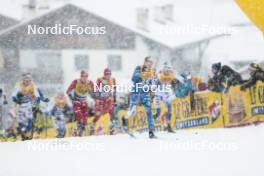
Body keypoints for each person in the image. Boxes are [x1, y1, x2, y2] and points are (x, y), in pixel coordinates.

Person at [122, 56, 157, 138]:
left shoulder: (152, 71)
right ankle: (124, 118)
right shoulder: (139, 68)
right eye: (149, 62)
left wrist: (152, 91)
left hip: (145, 94)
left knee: (149, 112)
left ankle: (151, 132)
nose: (150, 64)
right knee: (132, 111)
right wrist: (143, 75)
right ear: (145, 62)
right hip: (136, 93)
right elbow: (134, 78)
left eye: (151, 62)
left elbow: (153, 83)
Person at [12, 73, 40, 140]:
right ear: (23, 80)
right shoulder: (18, 86)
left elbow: (37, 95)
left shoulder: (32, 86)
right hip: (20, 105)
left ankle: (27, 132)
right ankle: (23, 132)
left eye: (28, 80)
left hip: (29, 105)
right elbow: (13, 95)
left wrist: (37, 101)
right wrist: (16, 99)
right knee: (21, 120)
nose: (27, 82)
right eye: (25, 80)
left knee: (30, 119)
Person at [67, 70, 95, 136]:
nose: (85, 78)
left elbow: (94, 92)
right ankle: (76, 130)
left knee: (85, 120)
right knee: (80, 117)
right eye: (83, 76)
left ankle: (80, 131)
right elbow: (68, 91)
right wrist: (73, 99)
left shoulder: (90, 82)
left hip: (84, 103)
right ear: (81, 76)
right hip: (77, 102)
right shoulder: (76, 82)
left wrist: (95, 96)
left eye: (86, 76)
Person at [153, 62, 176, 133]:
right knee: (158, 112)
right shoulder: (160, 74)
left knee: (169, 110)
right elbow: (158, 81)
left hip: (165, 94)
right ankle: (150, 124)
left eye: (168, 69)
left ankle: (168, 126)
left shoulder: (170, 74)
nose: (167, 71)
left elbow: (173, 81)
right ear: (163, 69)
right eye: (166, 69)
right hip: (158, 95)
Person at [93, 68, 117, 135]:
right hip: (101, 99)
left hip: (109, 99)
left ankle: (112, 126)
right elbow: (95, 89)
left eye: (109, 74)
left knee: (111, 112)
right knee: (101, 113)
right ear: (104, 74)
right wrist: (97, 97)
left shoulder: (113, 80)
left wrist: (115, 100)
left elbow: (115, 90)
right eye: (107, 74)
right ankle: (97, 127)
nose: (108, 76)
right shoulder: (100, 80)